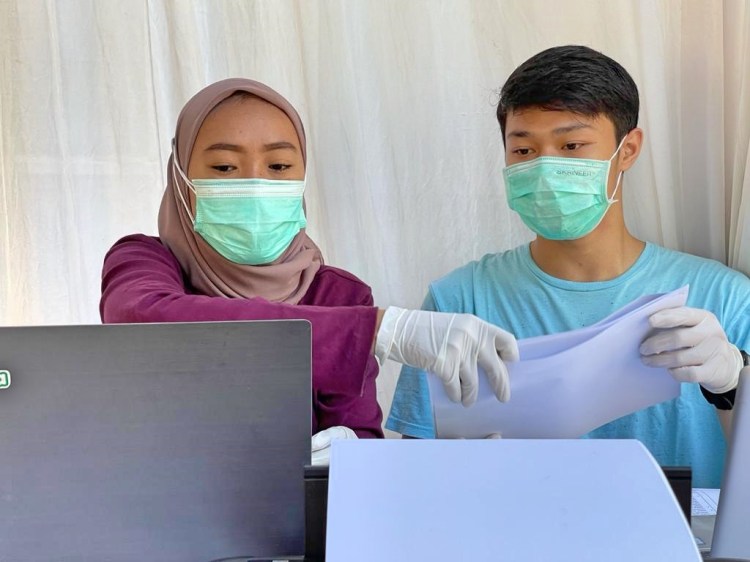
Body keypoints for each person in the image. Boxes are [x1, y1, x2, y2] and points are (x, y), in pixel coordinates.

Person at [386, 46, 750, 488]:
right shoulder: (458, 302)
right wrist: (458, 470)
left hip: (685, 532)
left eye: (571, 145)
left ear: (628, 149)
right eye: (523, 150)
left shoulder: (725, 299)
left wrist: (732, 383)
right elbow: (413, 480)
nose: (545, 169)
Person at [100, 78, 518, 446]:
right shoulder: (144, 261)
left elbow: (359, 437)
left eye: (279, 166)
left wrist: (351, 450)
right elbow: (142, 320)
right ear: (180, 177)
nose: (256, 184)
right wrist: (378, 328)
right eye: (224, 167)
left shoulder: (338, 295)